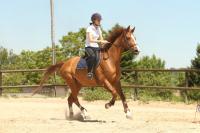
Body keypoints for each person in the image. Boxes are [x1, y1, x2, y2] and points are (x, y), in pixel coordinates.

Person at [85, 13, 109, 79]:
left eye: (100, 20)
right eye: (98, 20)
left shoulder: (98, 28)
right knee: (93, 57)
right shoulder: (89, 28)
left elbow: (101, 39)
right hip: (89, 47)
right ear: (94, 20)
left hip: (96, 47)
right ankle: (89, 73)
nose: (99, 21)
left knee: (104, 56)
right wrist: (100, 41)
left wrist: (105, 43)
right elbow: (91, 40)